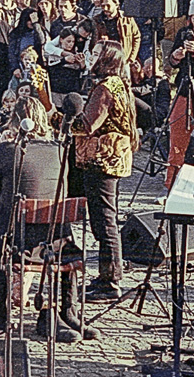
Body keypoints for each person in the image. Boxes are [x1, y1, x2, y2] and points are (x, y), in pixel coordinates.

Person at [0, 97, 89, 341]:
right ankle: (68, 311)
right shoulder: (60, 150)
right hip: (57, 243)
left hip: (18, 242)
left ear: (15, 122)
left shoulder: (8, 150)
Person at [73, 40, 137, 301]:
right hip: (113, 157)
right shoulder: (121, 85)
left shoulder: (104, 88)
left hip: (102, 158)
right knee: (106, 218)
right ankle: (106, 276)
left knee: (105, 221)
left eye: (97, 54)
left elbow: (87, 124)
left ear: (108, 59)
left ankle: (110, 281)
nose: (91, 56)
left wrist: (65, 117)